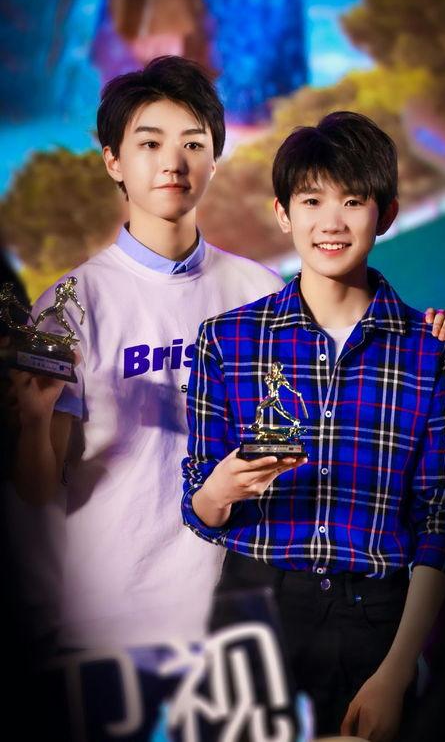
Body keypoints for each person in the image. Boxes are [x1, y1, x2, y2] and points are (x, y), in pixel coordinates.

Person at [181, 111, 445, 741]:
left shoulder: (432, 349)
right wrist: (219, 490)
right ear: (283, 214)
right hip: (253, 609)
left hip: (375, 618)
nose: (331, 222)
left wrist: (397, 670)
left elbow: (443, 517)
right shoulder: (227, 340)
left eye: (353, 201)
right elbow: (198, 507)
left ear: (386, 214)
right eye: (311, 201)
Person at [8, 55, 284, 653]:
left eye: (193, 143)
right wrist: (32, 419)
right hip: (114, 622)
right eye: (150, 143)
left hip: (241, 615)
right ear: (114, 160)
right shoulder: (71, 305)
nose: (172, 162)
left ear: (215, 158)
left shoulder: (263, 294)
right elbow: (37, 488)